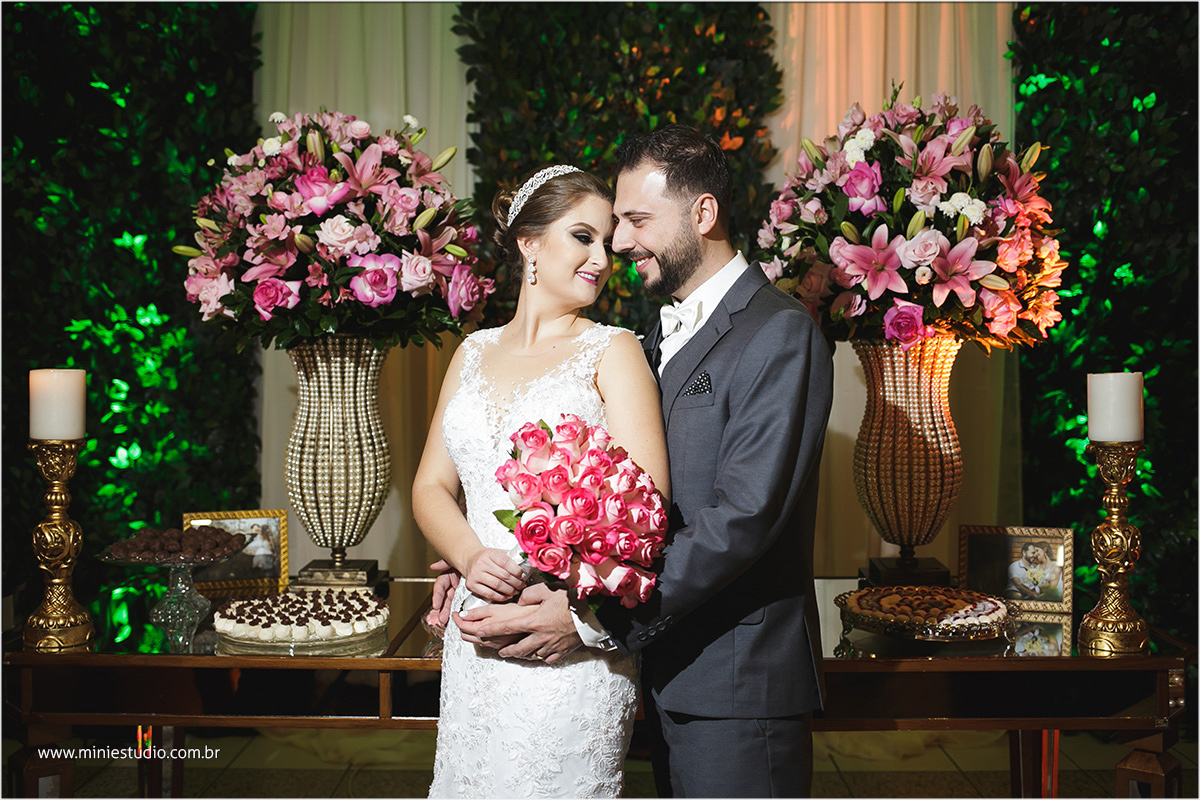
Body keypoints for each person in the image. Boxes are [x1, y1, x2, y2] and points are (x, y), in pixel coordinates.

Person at [450, 125, 835, 798]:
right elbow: (607, 490)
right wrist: (492, 553)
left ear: (703, 214)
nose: (620, 244)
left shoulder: (778, 332)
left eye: (634, 221)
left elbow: (742, 519)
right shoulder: (655, 337)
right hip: (659, 676)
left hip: (737, 689)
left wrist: (591, 617)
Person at [411, 164, 670, 798]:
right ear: (529, 242)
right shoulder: (471, 352)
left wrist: (577, 612)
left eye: (608, 242)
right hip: (475, 643)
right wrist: (468, 555)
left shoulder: (614, 350)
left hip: (565, 643)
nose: (601, 258)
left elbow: (650, 510)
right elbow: (429, 487)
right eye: (583, 236)